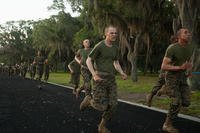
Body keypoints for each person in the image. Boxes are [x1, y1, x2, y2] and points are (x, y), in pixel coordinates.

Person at [81, 25, 127, 133]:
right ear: (106, 34)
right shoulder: (100, 46)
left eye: (116, 33)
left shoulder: (115, 48)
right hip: (99, 78)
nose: (114, 35)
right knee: (100, 106)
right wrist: (94, 75)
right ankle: (89, 101)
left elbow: (116, 62)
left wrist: (121, 72)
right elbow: (88, 60)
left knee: (113, 105)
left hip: (111, 79)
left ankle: (101, 127)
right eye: (112, 33)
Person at [160, 28, 193, 133]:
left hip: (182, 77)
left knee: (186, 102)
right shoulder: (172, 48)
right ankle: (167, 125)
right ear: (179, 36)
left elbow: (188, 61)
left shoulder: (190, 48)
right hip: (171, 77)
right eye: (185, 33)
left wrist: (188, 70)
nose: (189, 34)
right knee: (176, 102)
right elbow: (164, 66)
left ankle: (165, 89)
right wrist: (180, 68)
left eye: (189, 33)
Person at [146, 35, 179, 107]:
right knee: (165, 83)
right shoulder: (172, 48)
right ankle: (159, 92)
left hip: (168, 70)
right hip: (167, 69)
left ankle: (155, 94)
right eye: (177, 40)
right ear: (174, 41)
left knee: (161, 83)